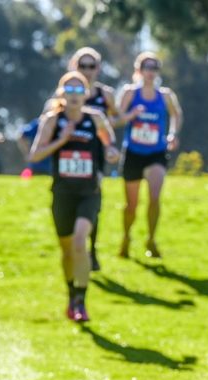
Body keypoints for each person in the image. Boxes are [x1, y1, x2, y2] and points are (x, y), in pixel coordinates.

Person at [29, 71, 120, 322]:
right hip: (63, 194)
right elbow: (35, 155)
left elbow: (110, 145)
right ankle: (71, 295)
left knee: (80, 242)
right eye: (69, 90)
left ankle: (81, 299)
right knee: (67, 251)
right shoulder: (52, 120)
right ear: (62, 94)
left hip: (89, 192)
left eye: (79, 90)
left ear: (86, 94)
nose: (74, 95)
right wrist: (62, 139)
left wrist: (111, 153)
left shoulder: (96, 119)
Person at [117, 52, 182, 259]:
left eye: (154, 68)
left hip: (156, 152)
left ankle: (151, 240)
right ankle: (126, 238)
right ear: (139, 70)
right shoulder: (129, 93)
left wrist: (172, 134)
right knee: (132, 205)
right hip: (134, 152)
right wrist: (131, 115)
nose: (150, 72)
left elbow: (176, 114)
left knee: (154, 197)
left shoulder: (165, 95)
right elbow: (116, 119)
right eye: (147, 67)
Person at [69, 47, 119, 271]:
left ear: (98, 68)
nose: (87, 71)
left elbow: (116, 119)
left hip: (96, 155)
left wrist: (109, 142)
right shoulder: (67, 91)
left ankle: (92, 250)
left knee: (92, 199)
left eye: (92, 66)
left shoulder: (104, 94)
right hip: (69, 156)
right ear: (75, 67)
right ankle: (74, 247)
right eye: (83, 66)